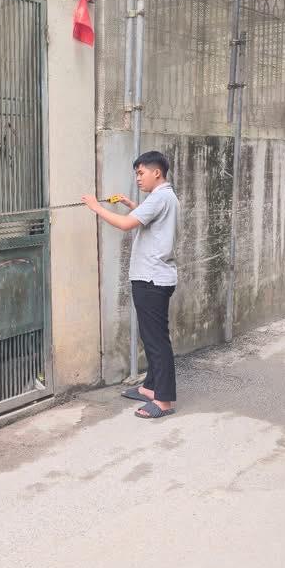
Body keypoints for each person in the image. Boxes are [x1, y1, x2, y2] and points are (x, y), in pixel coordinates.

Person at [81, 151, 179, 420]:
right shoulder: (164, 197)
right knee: (151, 336)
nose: (138, 178)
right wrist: (129, 203)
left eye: (140, 173)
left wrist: (96, 207)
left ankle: (163, 401)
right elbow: (146, 218)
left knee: (156, 340)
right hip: (153, 277)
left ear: (156, 172)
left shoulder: (159, 197)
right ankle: (150, 387)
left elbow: (126, 225)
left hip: (151, 279)